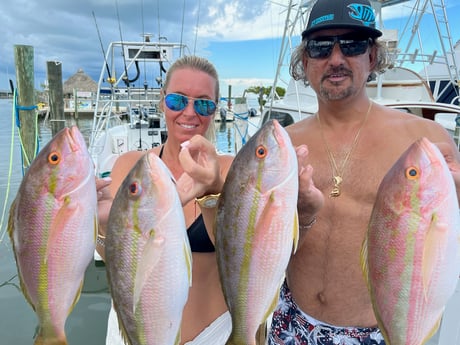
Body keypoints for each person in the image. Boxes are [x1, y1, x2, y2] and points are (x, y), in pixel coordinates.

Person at [267, 0, 460, 344]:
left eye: (353, 45)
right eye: (321, 46)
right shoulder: (283, 147)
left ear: (372, 57)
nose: (336, 58)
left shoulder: (424, 142)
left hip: (381, 332)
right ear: (306, 59)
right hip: (291, 323)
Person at [96, 55, 234, 344]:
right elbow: (116, 260)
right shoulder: (130, 168)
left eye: (204, 104)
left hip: (213, 335)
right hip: (136, 329)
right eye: (177, 101)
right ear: (163, 101)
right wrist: (100, 228)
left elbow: (237, 255)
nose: (189, 112)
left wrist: (213, 191)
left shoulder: (229, 170)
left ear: (215, 111)